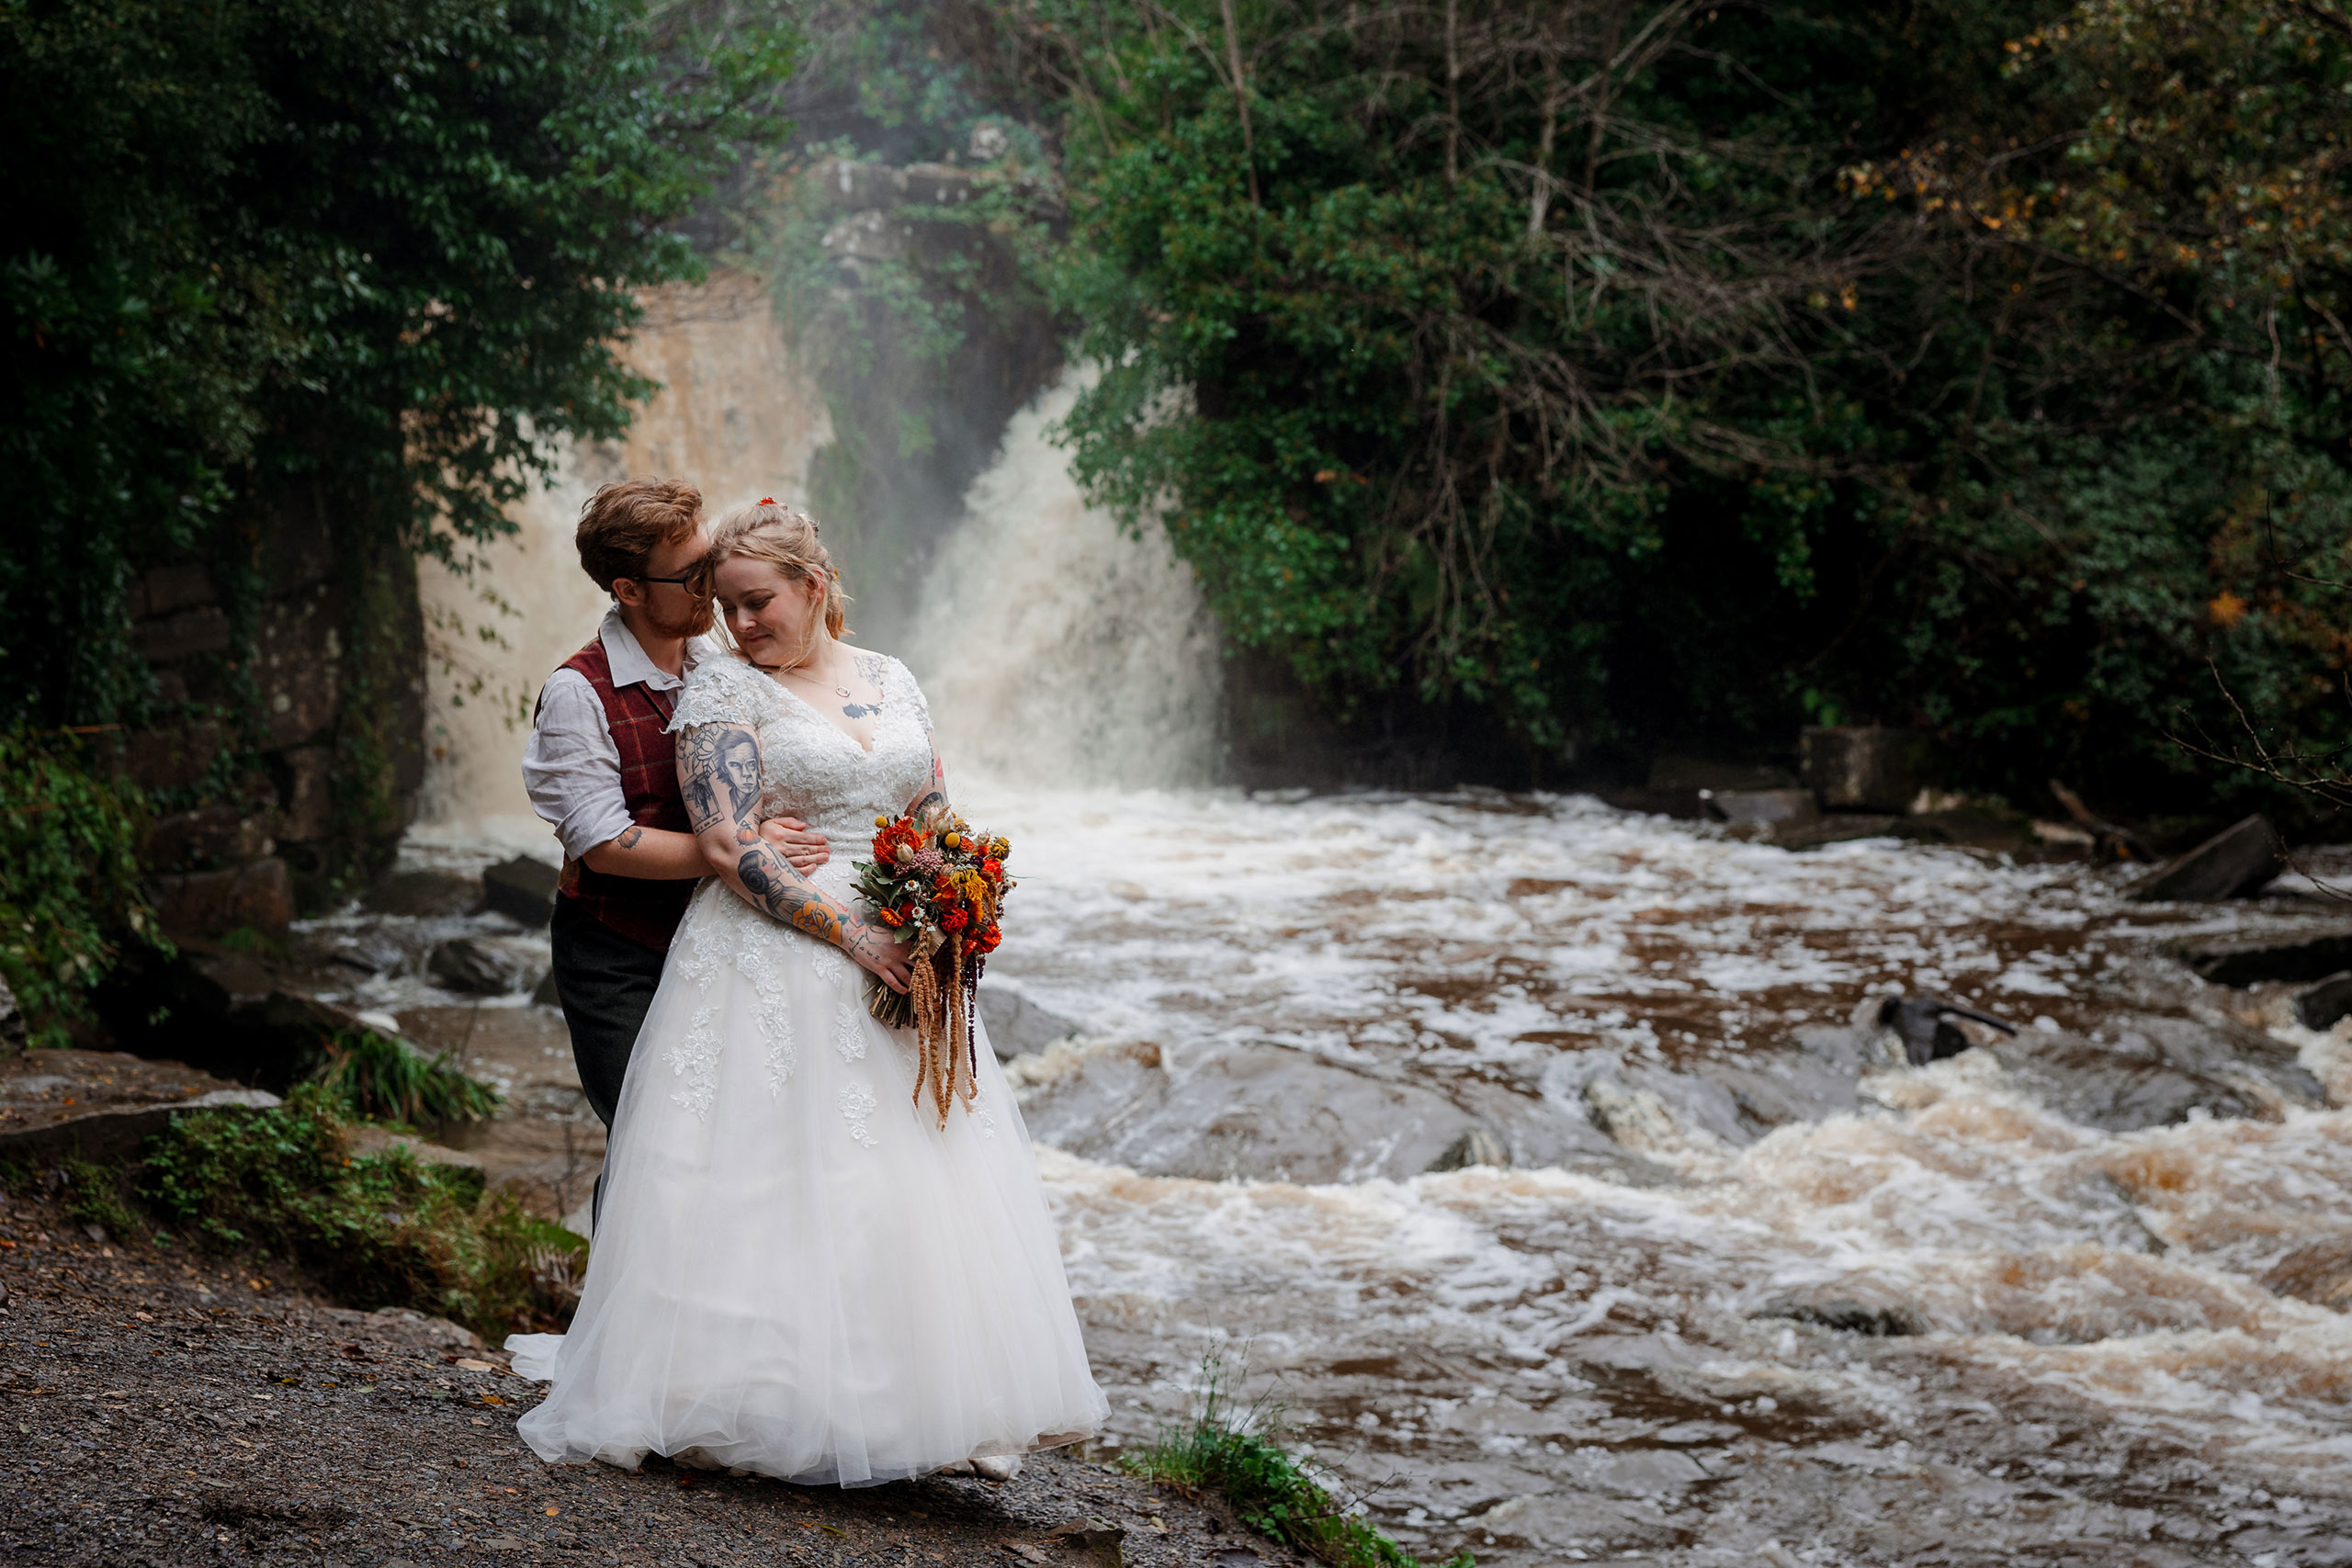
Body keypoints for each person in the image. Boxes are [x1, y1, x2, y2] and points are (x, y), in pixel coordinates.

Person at [507, 499, 1106, 1484]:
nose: (736, 624)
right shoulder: (715, 692)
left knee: (910, 1176)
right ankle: (754, 1395)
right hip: (773, 956)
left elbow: (926, 807)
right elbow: (729, 845)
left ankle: (929, 1407)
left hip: (897, 943)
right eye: (722, 604)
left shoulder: (892, 678)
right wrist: (856, 936)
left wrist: (954, 900)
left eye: (753, 602)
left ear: (815, 587)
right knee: (768, 1177)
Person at [522, 479, 827, 1223]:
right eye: (692, 576)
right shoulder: (578, 693)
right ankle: (615, 1326)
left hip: (723, 942)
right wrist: (735, 849)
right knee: (650, 1146)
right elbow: (603, 843)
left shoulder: (723, 660)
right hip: (617, 955)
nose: (711, 585)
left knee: (735, 1143)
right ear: (628, 589)